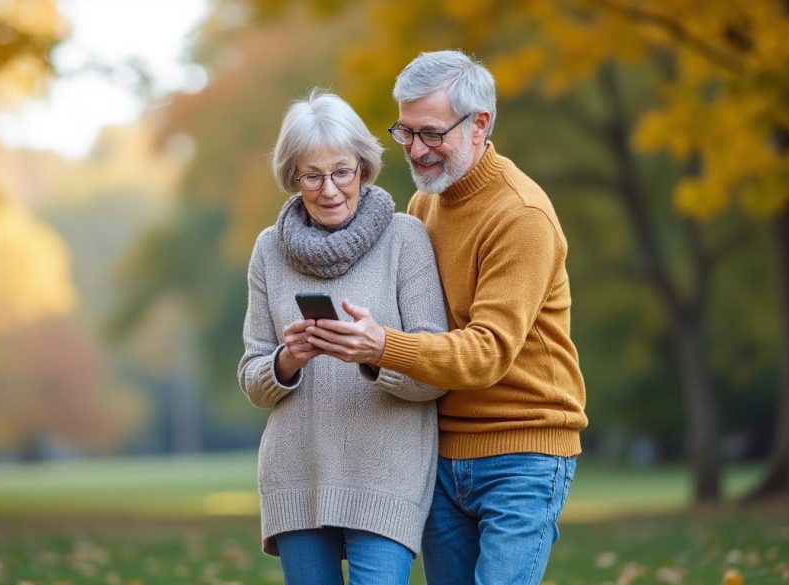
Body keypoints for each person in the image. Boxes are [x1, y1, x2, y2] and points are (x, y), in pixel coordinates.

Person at [304, 50, 589, 584]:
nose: (416, 149)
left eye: (432, 134)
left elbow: (486, 353)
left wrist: (382, 346)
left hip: (523, 452)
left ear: (480, 124)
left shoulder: (520, 216)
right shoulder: (424, 206)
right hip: (438, 453)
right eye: (405, 132)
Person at [237, 88, 449, 585]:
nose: (330, 189)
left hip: (386, 477)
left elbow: (435, 374)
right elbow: (252, 376)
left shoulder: (405, 239)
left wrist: (376, 353)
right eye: (312, 176)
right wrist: (287, 361)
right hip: (296, 478)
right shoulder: (269, 250)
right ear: (292, 177)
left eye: (342, 172)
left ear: (363, 167)